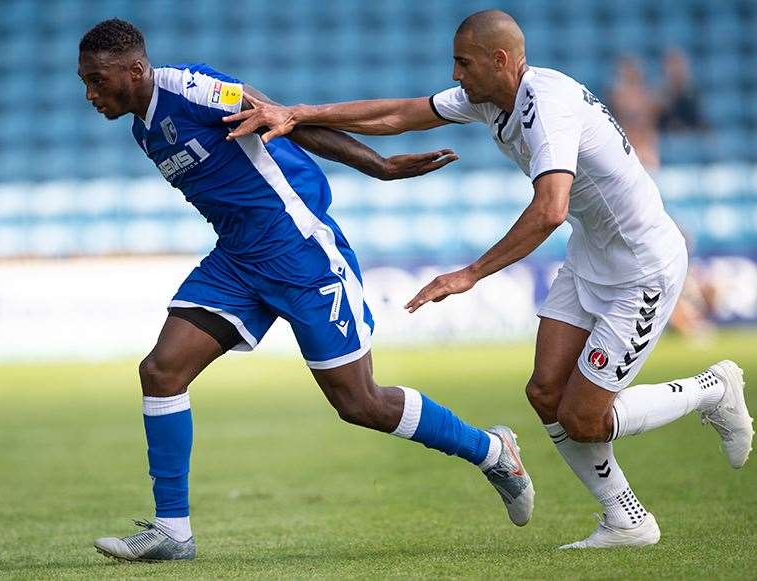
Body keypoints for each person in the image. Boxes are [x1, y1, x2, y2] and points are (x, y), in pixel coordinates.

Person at [226, 9, 752, 549]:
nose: (455, 74)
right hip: (592, 253)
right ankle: (627, 520)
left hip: (643, 268)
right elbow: (402, 113)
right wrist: (300, 113)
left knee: (583, 418)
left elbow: (549, 210)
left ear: (500, 60)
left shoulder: (548, 107)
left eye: (463, 63)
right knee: (545, 391)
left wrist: (470, 274)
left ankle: (711, 390)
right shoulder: (491, 98)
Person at [77, 18, 535, 562]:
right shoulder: (144, 128)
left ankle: (491, 451)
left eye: (97, 79)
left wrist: (380, 166)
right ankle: (172, 531)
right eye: (84, 81)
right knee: (161, 371)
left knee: (360, 403)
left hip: (300, 251)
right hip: (238, 260)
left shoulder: (190, 89)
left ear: (135, 69)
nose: (90, 93)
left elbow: (284, 120)